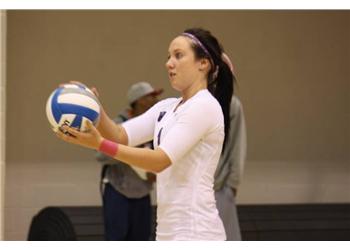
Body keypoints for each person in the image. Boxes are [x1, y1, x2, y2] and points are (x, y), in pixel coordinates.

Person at [55, 27, 235, 240]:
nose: (169, 63)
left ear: (203, 63)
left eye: (178, 55)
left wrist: (99, 144)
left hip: (197, 233)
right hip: (168, 233)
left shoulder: (204, 106)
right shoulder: (166, 107)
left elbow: (159, 161)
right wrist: (93, 106)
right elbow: (120, 135)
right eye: (168, 56)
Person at [97, 81, 162, 240]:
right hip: (118, 192)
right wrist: (128, 150)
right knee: (116, 239)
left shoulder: (156, 124)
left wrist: (156, 172)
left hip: (143, 193)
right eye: (151, 96)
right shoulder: (118, 125)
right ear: (139, 100)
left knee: (141, 239)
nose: (156, 100)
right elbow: (100, 155)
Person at [214, 94, 247, 241]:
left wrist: (232, 185)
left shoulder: (231, 104)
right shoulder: (189, 103)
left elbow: (238, 144)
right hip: (192, 192)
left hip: (219, 189)